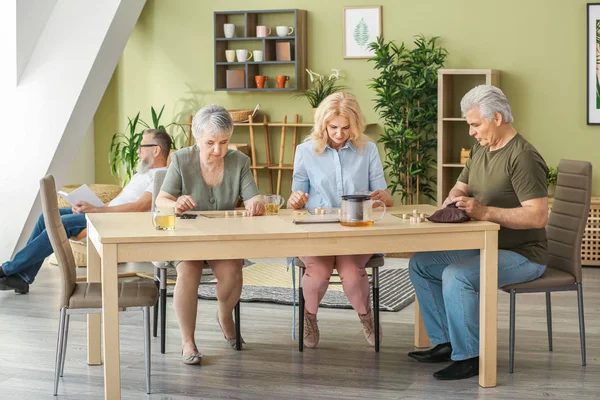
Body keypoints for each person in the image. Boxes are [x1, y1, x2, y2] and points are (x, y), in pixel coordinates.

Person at [407, 85, 549, 380]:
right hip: (487, 246)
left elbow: (537, 215)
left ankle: (470, 356)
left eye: (475, 124)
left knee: (456, 275)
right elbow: (461, 186)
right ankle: (447, 342)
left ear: (497, 118)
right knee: (421, 264)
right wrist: (453, 199)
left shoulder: (522, 157)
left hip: (523, 254)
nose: (471, 131)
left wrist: (484, 212)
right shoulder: (481, 149)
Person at [0, 129, 172, 294]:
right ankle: (23, 277)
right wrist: (92, 206)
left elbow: (139, 207)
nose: (138, 151)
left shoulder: (162, 175)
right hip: (109, 214)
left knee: (62, 223)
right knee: (47, 217)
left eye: (142, 147)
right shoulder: (142, 174)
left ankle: (8, 269)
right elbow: (118, 201)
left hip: (121, 222)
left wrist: (98, 211)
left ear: (156, 150)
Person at [155, 104, 264, 365]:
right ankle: (188, 342)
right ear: (197, 138)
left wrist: (254, 203)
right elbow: (162, 199)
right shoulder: (181, 159)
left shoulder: (240, 162)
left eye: (224, 142)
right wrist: (176, 204)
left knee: (232, 272)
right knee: (188, 273)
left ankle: (224, 316)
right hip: (188, 238)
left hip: (221, 240)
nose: (218, 150)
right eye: (211, 143)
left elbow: (254, 196)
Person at [287, 92, 394, 349]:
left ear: (355, 125)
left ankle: (366, 317)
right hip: (316, 230)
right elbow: (294, 199)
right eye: (333, 127)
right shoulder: (304, 151)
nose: (339, 133)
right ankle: (309, 318)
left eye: (346, 127)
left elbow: (386, 198)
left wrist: (382, 196)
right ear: (323, 124)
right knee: (319, 272)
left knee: (351, 272)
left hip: (356, 229)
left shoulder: (367, 150)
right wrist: (296, 201)